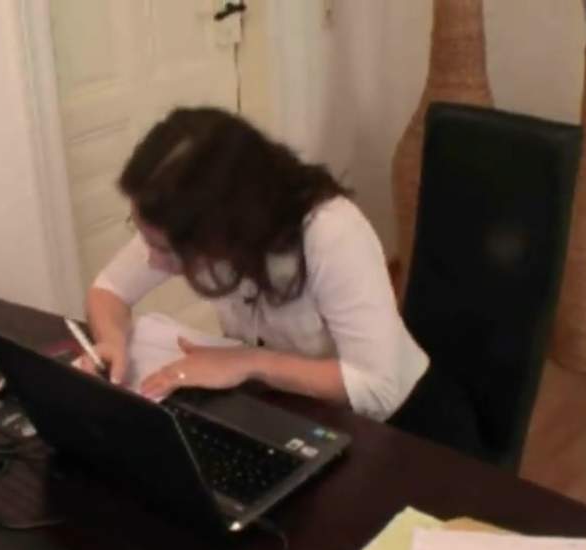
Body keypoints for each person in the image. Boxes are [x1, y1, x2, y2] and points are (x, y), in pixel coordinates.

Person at [82, 107, 428, 421]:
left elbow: (377, 388)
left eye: (168, 250)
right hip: (284, 407)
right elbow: (109, 290)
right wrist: (112, 342)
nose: (153, 261)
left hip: (390, 424)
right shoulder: (180, 220)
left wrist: (248, 362)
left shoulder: (331, 232)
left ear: (229, 230)